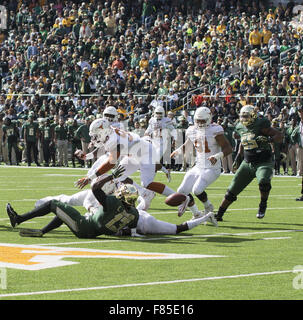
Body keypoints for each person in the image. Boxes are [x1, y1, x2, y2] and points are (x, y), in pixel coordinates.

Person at [6, 166, 213, 238]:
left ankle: (19, 219)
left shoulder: (113, 203)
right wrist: (203, 217)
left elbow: (95, 188)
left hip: (84, 227)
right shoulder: (133, 215)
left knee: (54, 205)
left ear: (123, 197)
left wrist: (111, 176)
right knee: (64, 213)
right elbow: (131, 232)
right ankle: (42, 231)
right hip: (93, 229)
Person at [75, 118, 176, 199]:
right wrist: (86, 157)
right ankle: (145, 194)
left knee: (146, 183)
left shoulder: (113, 139)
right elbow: (103, 148)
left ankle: (178, 196)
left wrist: (90, 178)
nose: (94, 139)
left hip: (146, 153)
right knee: (119, 177)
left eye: (96, 136)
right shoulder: (110, 133)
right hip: (134, 154)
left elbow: (111, 163)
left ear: (103, 132)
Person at [215, 105, 283, 221]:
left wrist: (269, 139)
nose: (244, 119)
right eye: (242, 116)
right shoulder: (240, 127)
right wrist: (237, 158)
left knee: (263, 181)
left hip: (263, 161)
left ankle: (263, 204)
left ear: (253, 115)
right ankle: (219, 214)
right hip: (247, 163)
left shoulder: (261, 124)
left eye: (246, 116)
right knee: (231, 190)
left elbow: (279, 136)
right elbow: (242, 142)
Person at [170, 106, 232, 219]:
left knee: (197, 190)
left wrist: (217, 156)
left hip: (212, 168)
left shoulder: (215, 130)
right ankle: (196, 213)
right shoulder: (192, 130)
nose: (200, 123)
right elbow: (188, 144)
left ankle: (208, 206)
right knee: (181, 191)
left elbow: (228, 148)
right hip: (198, 166)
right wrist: (178, 151)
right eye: (198, 120)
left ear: (209, 118)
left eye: (202, 121)